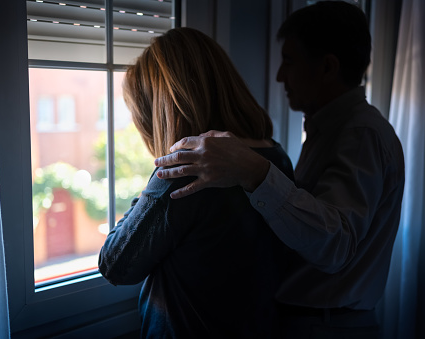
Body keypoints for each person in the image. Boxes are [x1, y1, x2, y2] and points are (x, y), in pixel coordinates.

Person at [154, 2, 405, 339]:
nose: (279, 76)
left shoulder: (360, 135)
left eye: (289, 61)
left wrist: (254, 172)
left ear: (328, 68)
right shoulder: (330, 131)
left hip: (325, 327)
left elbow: (337, 246)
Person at [98, 27, 294, 338]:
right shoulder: (273, 155)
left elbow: (115, 264)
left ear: (163, 108)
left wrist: (150, 189)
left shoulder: (187, 171)